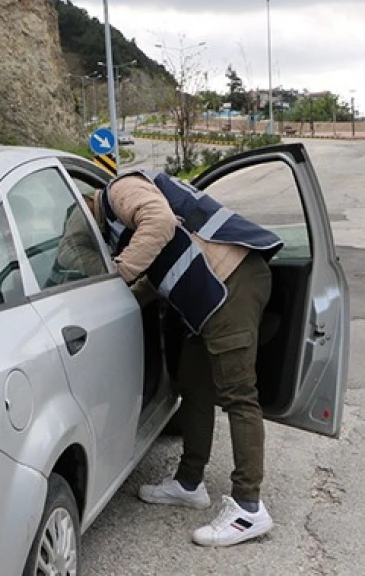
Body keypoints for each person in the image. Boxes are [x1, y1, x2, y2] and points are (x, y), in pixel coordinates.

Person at [88, 169, 282, 547]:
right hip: (210, 298)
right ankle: (189, 483)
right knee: (193, 386)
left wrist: (118, 273)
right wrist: (115, 299)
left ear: (85, 207)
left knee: (239, 395)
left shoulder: (118, 192)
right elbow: (158, 272)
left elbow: (159, 224)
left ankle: (248, 508)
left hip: (232, 284)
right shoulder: (119, 218)